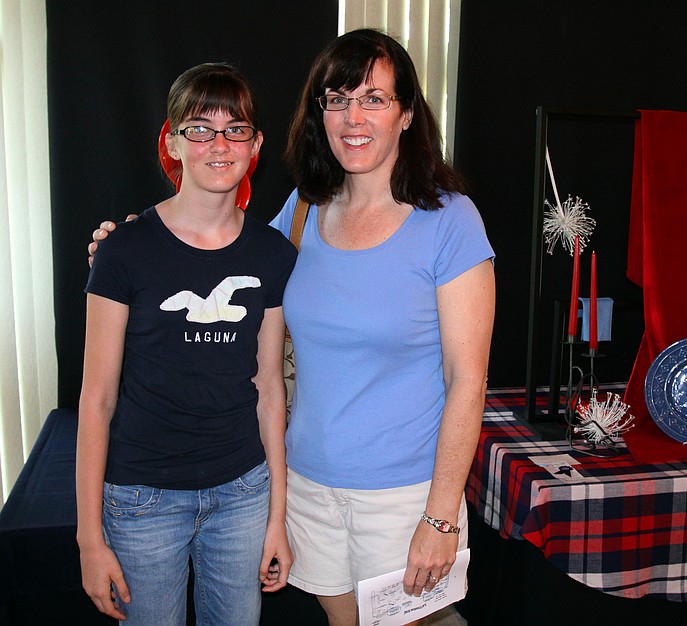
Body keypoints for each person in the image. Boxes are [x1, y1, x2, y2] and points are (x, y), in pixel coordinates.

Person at [90, 29, 495, 626]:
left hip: (405, 494)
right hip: (306, 486)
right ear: (320, 113)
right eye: (337, 99)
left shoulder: (448, 220)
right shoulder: (304, 210)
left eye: (374, 98)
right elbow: (220, 251)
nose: (353, 117)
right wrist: (132, 242)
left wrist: (440, 517)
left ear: (407, 114)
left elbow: (469, 381)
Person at [77, 62, 296, 624]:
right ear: (172, 141)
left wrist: (277, 518)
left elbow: (269, 390)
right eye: (199, 128)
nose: (218, 144)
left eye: (235, 129)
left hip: (243, 496)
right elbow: (95, 401)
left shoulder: (271, 254)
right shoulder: (124, 251)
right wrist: (89, 540)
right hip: (141, 501)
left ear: (256, 144)